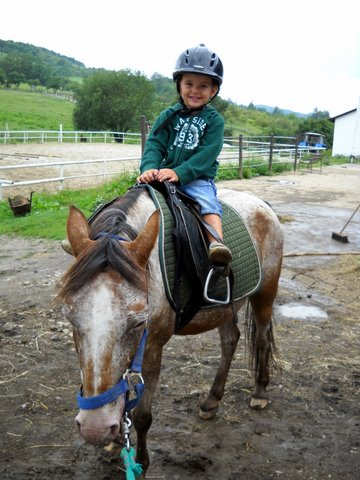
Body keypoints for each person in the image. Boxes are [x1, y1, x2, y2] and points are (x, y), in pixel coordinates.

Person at [138, 44, 232, 266]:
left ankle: (217, 244)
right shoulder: (168, 116)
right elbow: (155, 143)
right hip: (163, 173)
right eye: (189, 84)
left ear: (213, 91)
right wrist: (149, 167)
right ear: (179, 84)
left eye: (203, 86)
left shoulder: (215, 121)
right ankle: (99, 238)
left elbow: (207, 154)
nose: (195, 91)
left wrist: (180, 172)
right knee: (133, 198)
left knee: (207, 201)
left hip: (195, 178)